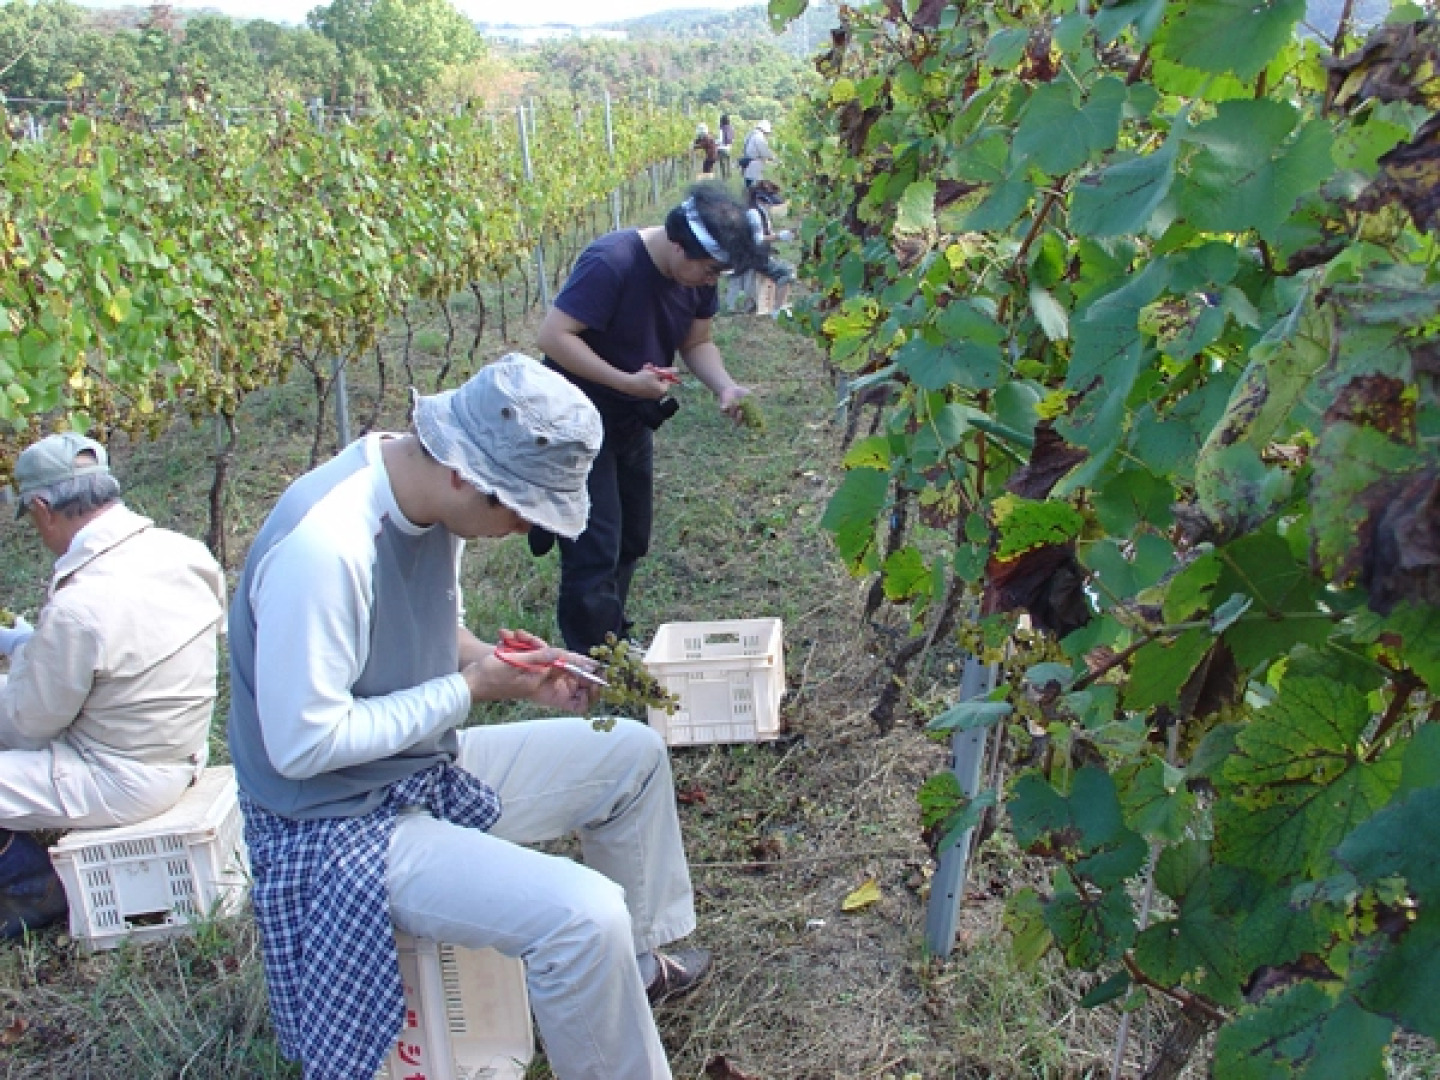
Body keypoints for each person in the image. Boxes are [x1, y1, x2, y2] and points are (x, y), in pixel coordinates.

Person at [228, 355, 710, 1080]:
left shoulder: (423, 496)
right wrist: (473, 689)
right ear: (463, 471)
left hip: (417, 764)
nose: (521, 528)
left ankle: (629, 974)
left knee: (632, 757)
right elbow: (303, 745)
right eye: (519, 508)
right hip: (332, 823)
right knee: (583, 915)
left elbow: (421, 630)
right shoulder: (325, 549)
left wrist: (504, 666)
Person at [0, 433, 226, 937]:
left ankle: (30, 888)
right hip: (179, 748)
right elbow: (131, 650)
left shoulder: (80, 605)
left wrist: (21, 665)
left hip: (120, 777)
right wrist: (29, 648)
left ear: (42, 509)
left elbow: (27, 725)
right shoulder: (184, 553)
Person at [532, 184, 773, 654]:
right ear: (678, 245)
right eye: (709, 271)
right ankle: (593, 664)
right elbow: (554, 336)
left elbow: (696, 342)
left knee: (631, 538)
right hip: (574, 421)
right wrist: (625, 381)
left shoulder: (696, 277)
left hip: (630, 418)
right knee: (594, 548)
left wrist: (724, 386)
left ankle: (611, 639)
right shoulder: (612, 262)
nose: (711, 282)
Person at [741, 118, 776, 188]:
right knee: (754, 187)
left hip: (747, 164)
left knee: (749, 185)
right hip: (754, 165)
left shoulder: (751, 134)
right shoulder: (759, 137)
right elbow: (765, 152)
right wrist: (774, 158)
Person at [717, 114, 735, 179]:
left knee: (722, 165)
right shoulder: (731, 128)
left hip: (721, 149)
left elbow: (720, 140)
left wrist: (715, 142)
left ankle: (724, 177)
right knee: (728, 163)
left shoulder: (721, 129)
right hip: (729, 148)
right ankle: (729, 175)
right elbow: (733, 139)